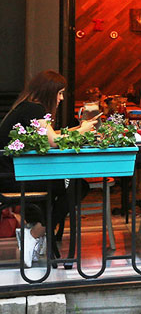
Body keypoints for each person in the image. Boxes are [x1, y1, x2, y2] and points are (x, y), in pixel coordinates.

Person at [0, 70, 96, 267]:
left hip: (12, 173)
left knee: (67, 185)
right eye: (59, 93)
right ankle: (34, 234)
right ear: (48, 92)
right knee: (77, 187)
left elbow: (51, 134)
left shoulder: (26, 106)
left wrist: (78, 130)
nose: (61, 98)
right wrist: (83, 130)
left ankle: (34, 230)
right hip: (14, 177)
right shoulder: (35, 109)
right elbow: (52, 141)